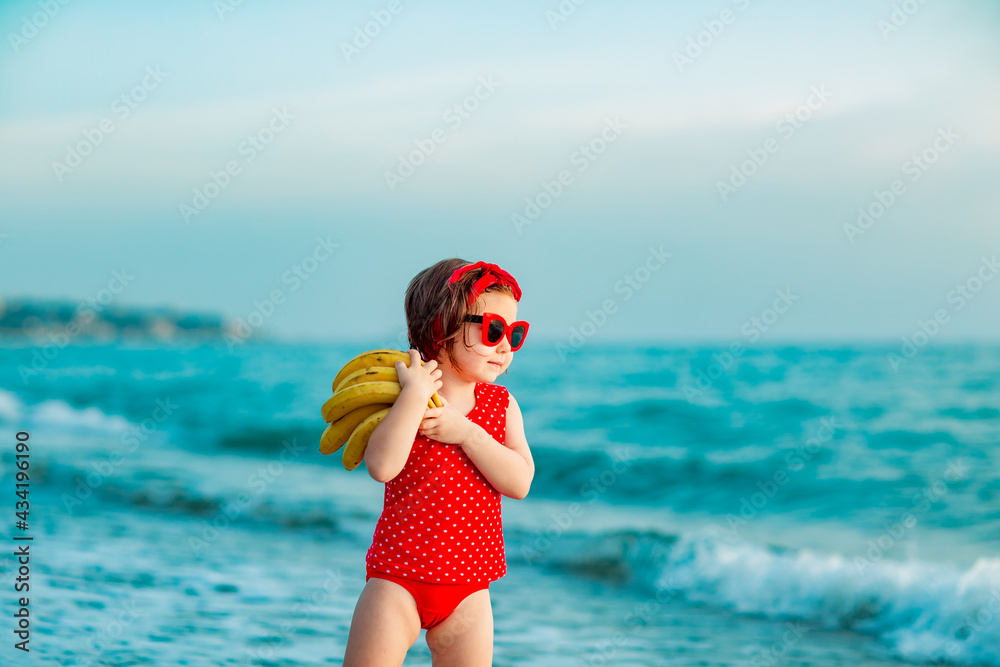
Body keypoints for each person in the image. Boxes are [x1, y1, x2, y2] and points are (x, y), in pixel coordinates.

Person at [342, 258, 535, 667]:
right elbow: (382, 466)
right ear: (440, 328)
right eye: (493, 330)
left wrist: (468, 433)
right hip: (398, 581)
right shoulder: (404, 396)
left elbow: (520, 482)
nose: (505, 346)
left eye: (514, 334)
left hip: (469, 591)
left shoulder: (501, 406)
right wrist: (412, 398)